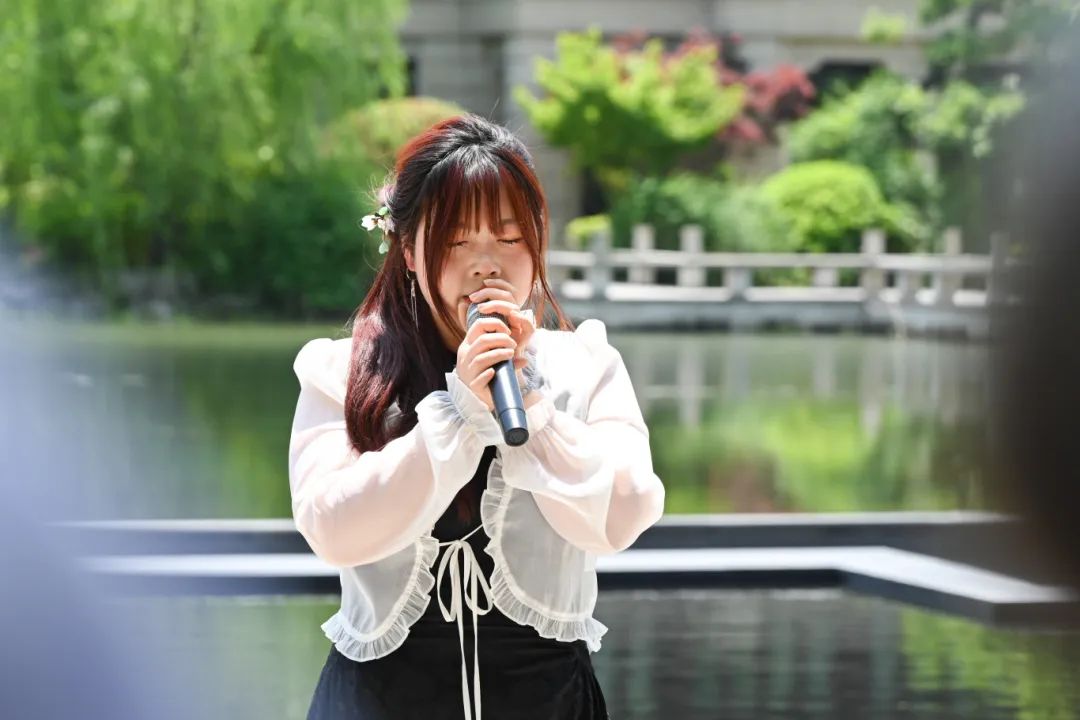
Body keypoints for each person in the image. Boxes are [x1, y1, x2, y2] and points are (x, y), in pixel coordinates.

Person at [287, 113, 666, 720]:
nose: (486, 265)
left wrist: (534, 411)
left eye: (510, 240)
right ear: (409, 251)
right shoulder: (342, 372)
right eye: (457, 242)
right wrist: (456, 411)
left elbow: (626, 515)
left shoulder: (585, 365)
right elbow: (330, 530)